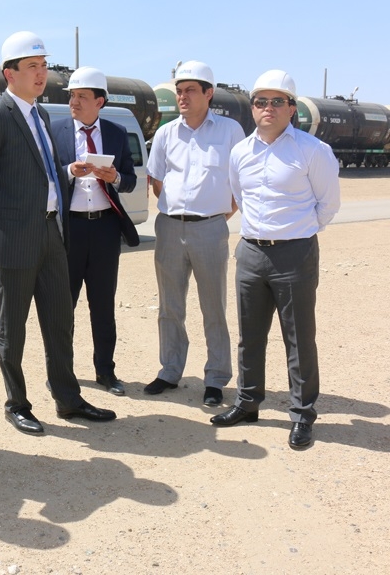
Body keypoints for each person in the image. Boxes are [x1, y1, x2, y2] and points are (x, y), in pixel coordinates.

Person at [0, 31, 116, 436]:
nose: (41, 73)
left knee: (60, 321)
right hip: (14, 240)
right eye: (32, 66)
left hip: (51, 233)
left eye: (44, 65)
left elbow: (42, 174)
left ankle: (68, 399)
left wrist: (68, 172)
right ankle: (16, 403)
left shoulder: (42, 115)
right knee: (13, 328)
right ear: (9, 74)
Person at [211, 70, 340, 448]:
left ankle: (302, 415)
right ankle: (247, 403)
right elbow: (240, 196)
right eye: (261, 101)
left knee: (299, 339)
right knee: (249, 336)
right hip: (251, 252)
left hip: (294, 255)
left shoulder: (312, 151)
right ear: (252, 107)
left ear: (292, 108)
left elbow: (328, 205)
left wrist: (297, 232)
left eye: (277, 101)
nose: (268, 108)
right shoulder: (240, 152)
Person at [145, 60, 245, 406]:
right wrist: (180, 213)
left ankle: (216, 378)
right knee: (169, 306)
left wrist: (215, 217)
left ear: (208, 93)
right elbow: (157, 181)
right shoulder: (166, 133)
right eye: (179, 90)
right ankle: (170, 370)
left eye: (190, 90)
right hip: (170, 227)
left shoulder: (230, 131)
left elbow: (240, 184)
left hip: (210, 229)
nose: (182, 96)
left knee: (213, 307)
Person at [53, 66, 139, 397]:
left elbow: (130, 180)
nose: (74, 102)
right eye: (72, 96)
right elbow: (45, 177)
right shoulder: (55, 131)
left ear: (99, 101)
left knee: (103, 305)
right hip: (69, 230)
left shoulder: (116, 133)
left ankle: (106, 371)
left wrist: (114, 177)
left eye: (82, 97)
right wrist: (68, 171)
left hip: (105, 229)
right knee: (63, 307)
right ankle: (61, 373)